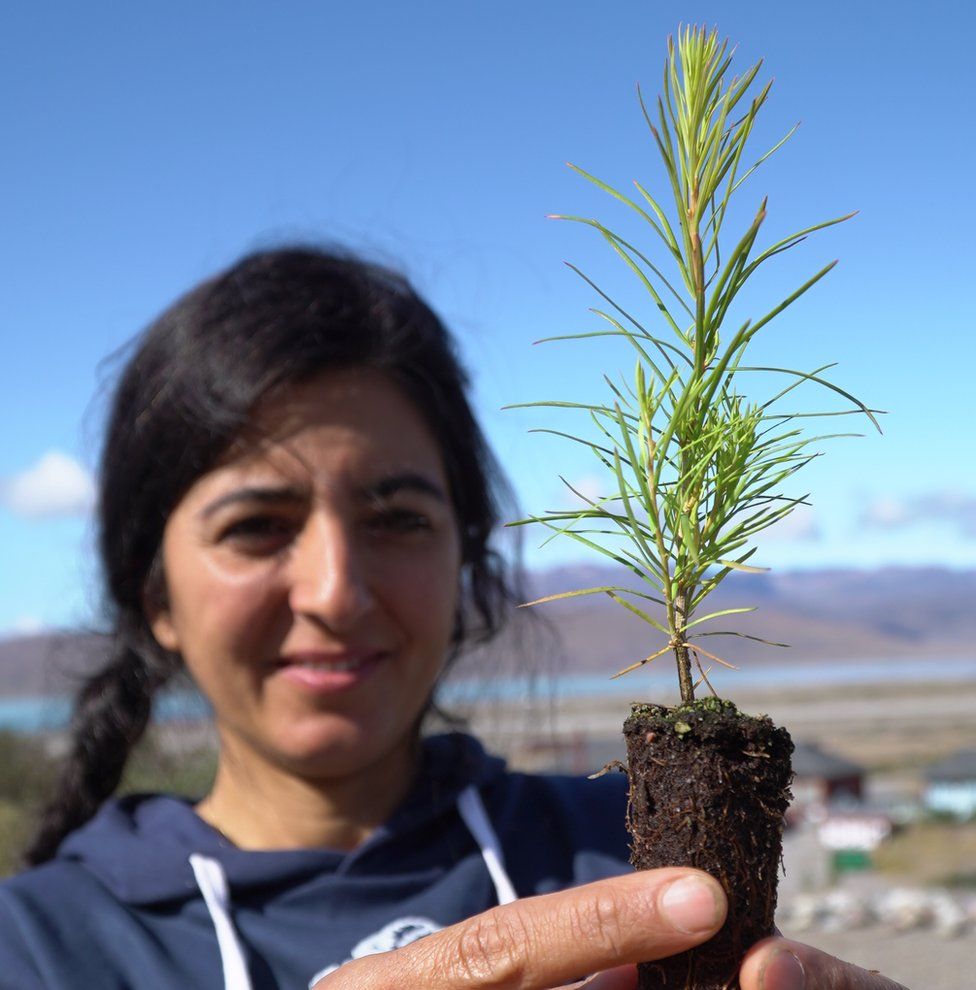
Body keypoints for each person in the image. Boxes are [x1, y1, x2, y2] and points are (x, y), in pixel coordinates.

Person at [0, 247, 908, 990]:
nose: (335, 591)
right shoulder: (36, 951)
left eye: (398, 519)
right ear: (154, 595)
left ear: (465, 559)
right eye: (256, 527)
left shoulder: (618, 849)